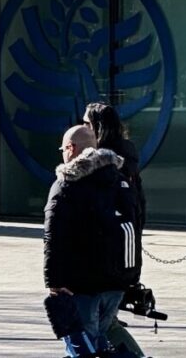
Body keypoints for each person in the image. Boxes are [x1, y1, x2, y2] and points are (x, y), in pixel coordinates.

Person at [44, 124, 139, 357]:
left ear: (71, 148)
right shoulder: (118, 179)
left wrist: (53, 282)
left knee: (81, 344)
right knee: (101, 339)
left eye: (63, 150)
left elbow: (53, 237)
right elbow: (134, 227)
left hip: (81, 283)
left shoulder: (66, 184)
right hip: (116, 280)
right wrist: (131, 276)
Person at [84, 102, 146, 234]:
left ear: (98, 126)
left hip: (111, 232)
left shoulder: (106, 159)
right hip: (128, 229)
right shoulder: (126, 152)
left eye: (87, 123)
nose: (83, 128)